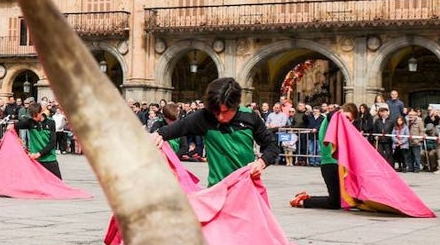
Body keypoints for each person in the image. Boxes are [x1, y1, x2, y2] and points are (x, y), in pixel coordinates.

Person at [149, 77, 278, 187]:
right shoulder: (204, 117)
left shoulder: (249, 116)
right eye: (216, 112)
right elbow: (176, 128)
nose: (220, 117)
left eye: (225, 112)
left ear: (236, 105)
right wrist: (158, 135)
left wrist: (261, 162)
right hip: (217, 189)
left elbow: (272, 145)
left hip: (247, 188)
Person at [292, 103, 358, 209]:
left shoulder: (339, 125)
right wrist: (339, 114)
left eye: (350, 120)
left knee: (339, 198)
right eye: (346, 117)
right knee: (335, 203)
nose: (347, 121)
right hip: (330, 164)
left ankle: (306, 198)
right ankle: (303, 202)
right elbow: (331, 115)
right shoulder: (332, 118)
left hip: (337, 165)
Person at [16, 99, 61, 179]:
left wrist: (39, 154)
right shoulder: (29, 122)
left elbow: (52, 142)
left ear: (41, 111)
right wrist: (18, 139)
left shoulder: (51, 122)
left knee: (58, 184)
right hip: (36, 160)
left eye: (36, 115)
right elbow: (14, 127)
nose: (35, 118)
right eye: (32, 116)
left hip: (49, 159)